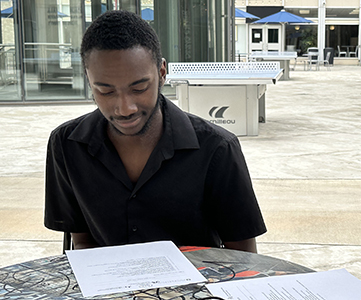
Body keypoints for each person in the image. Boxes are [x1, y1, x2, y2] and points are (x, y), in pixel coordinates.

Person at [44, 10, 266, 253]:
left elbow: (243, 258)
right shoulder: (66, 145)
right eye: (105, 91)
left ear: (162, 73)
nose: (125, 108)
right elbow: (82, 241)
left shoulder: (217, 149)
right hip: (105, 288)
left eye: (139, 88)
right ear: (89, 80)